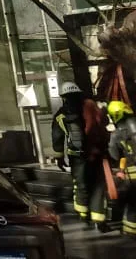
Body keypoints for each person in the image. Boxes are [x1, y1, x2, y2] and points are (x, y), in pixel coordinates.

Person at [52, 81, 110, 230]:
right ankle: (98, 219)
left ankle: (83, 215)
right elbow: (102, 123)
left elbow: (57, 138)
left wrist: (59, 157)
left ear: (63, 97)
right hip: (96, 153)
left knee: (80, 184)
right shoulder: (90, 105)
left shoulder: (60, 114)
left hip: (76, 156)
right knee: (98, 185)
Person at [108, 100, 136, 239]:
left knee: (133, 203)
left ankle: (129, 229)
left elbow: (114, 154)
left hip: (131, 174)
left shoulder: (115, 134)